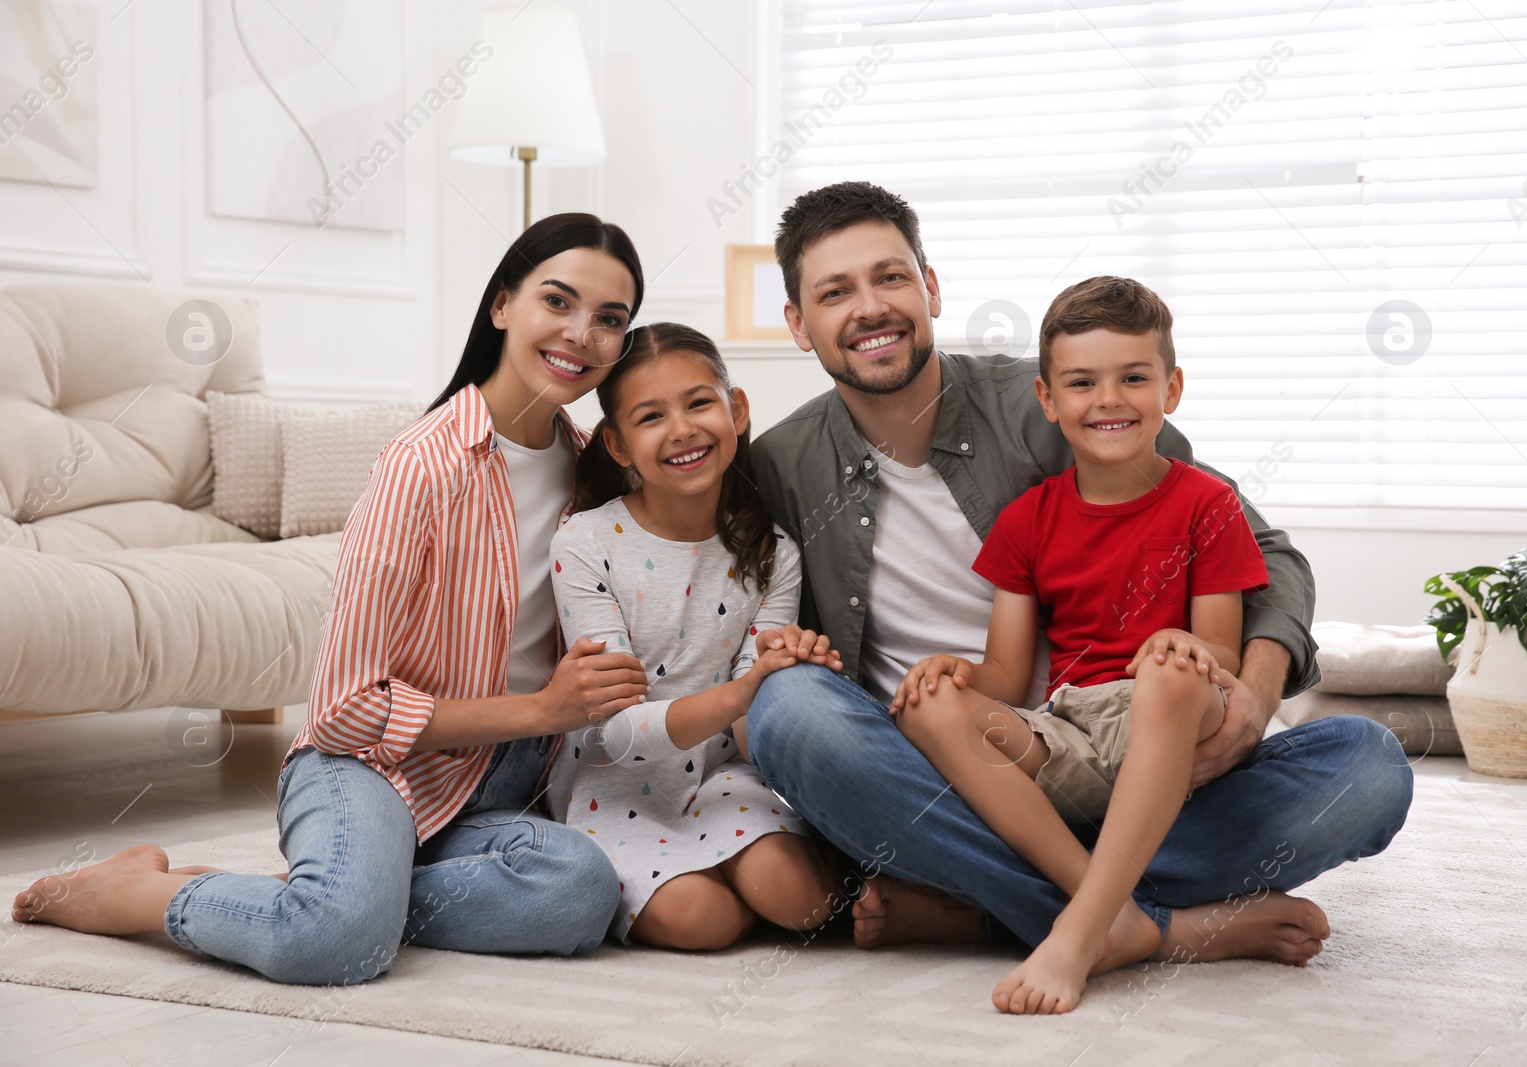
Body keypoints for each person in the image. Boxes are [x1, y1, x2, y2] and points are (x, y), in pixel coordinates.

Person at [743, 181, 1413, 988]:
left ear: (931, 286)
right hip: (948, 779)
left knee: (1369, 765)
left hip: (1143, 762)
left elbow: (1267, 552)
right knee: (789, 713)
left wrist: (1253, 696)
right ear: (797, 322)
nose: (870, 307)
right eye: (834, 291)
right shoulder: (778, 465)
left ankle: (994, 907)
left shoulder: (1065, 397)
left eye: (890, 277)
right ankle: (1145, 924)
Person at [11, 213, 654, 984]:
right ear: (503, 305)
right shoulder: (422, 463)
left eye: (610, 319)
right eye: (558, 301)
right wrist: (544, 711)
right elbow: (342, 710)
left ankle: (341, 896)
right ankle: (146, 895)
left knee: (581, 893)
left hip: (495, 786)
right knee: (337, 946)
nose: (582, 333)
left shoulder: (594, 474)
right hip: (366, 767)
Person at [889, 275, 1274, 1013]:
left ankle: (1075, 933)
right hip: (1070, 730)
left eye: (1134, 377)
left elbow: (1219, 662)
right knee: (925, 704)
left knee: (1177, 674)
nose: (1109, 400)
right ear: (1047, 399)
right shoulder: (1027, 520)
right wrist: (954, 671)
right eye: (1082, 382)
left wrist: (1177, 644)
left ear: (1173, 387)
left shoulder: (1208, 503)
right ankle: (1119, 916)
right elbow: (1005, 674)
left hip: (1173, 721)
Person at [548, 322, 850, 950]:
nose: (682, 429)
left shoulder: (775, 552)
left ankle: (771, 866)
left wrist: (789, 674)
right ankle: (700, 881)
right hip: (617, 786)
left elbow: (749, 722)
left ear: (736, 411)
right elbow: (619, 731)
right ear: (620, 445)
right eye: (651, 416)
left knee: (805, 903)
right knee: (703, 923)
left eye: (700, 403)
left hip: (722, 776)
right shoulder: (584, 544)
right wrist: (749, 691)